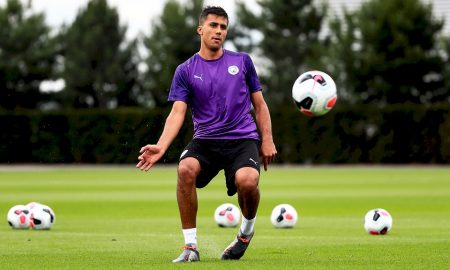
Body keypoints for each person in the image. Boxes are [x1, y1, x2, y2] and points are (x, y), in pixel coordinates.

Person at [136, 6, 277, 263]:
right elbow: (177, 113)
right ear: (200, 29)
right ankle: (190, 247)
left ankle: (245, 233)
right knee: (185, 169)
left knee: (247, 181)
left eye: (223, 27)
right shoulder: (185, 70)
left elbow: (260, 105)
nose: (219, 31)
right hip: (206, 140)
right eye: (213, 26)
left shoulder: (242, 61)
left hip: (242, 139)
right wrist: (161, 146)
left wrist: (267, 139)